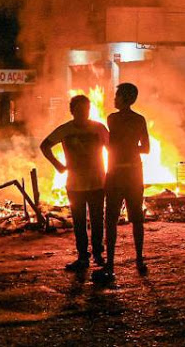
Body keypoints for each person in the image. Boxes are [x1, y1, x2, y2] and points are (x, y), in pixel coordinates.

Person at [40, 95, 109, 271]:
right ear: (72, 111)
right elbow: (44, 146)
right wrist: (58, 165)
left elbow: (112, 149)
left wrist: (111, 173)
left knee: (97, 220)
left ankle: (98, 254)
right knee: (79, 222)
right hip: (75, 185)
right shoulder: (65, 130)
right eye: (79, 109)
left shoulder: (99, 128)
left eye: (86, 109)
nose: (83, 113)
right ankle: (83, 257)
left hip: (97, 183)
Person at [94, 83, 150, 282]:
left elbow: (111, 145)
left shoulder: (112, 118)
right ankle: (139, 260)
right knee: (137, 219)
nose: (114, 99)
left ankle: (110, 263)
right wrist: (131, 148)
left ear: (125, 98)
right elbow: (146, 148)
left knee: (111, 219)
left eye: (117, 95)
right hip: (134, 172)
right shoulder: (139, 120)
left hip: (116, 173)